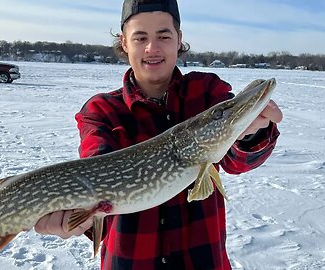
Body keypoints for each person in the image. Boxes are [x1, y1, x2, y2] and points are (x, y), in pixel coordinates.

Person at [35, 0, 283, 269]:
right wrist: (76, 216)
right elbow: (96, 167)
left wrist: (249, 133)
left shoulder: (207, 91)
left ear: (179, 39)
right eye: (140, 37)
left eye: (163, 36)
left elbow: (237, 160)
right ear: (125, 43)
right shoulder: (102, 110)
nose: (152, 48)